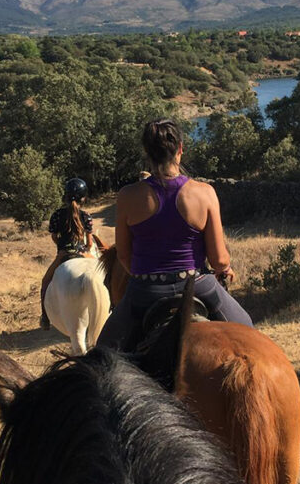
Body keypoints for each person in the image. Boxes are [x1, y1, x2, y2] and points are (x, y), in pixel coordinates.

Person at [98, 117, 253, 351]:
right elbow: (219, 260)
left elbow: (124, 255)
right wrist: (225, 269)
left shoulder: (127, 196)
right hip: (198, 285)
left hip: (144, 291)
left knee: (102, 354)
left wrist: (147, 277)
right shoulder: (204, 193)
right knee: (249, 335)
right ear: (180, 149)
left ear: (146, 152)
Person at [40, 178, 98, 328]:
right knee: (104, 273)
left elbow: (54, 236)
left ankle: (45, 318)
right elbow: (90, 243)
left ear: (65, 196)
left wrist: (61, 247)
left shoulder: (57, 215)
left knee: (45, 282)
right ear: (83, 198)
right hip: (82, 253)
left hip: (64, 254)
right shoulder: (86, 216)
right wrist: (84, 247)